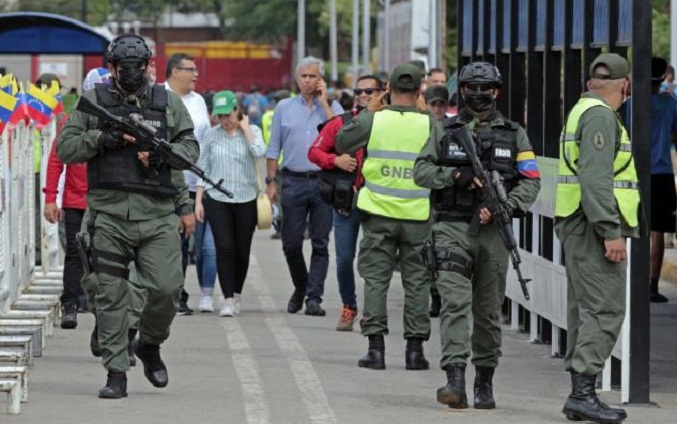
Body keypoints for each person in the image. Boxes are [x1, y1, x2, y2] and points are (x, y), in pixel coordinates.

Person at [57, 34, 199, 399]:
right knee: (110, 296)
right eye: (126, 68)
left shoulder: (167, 102)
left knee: (167, 289)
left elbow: (189, 149)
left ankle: (149, 345)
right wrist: (103, 139)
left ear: (149, 65)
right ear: (112, 68)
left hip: (156, 215)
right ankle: (116, 372)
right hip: (108, 214)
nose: (133, 73)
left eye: (140, 66)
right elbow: (66, 148)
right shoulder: (92, 104)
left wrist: (162, 158)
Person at [413, 61, 540, 409]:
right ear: (462, 91)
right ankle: (455, 379)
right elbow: (420, 171)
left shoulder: (515, 133)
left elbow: (531, 181)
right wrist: (456, 177)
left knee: (487, 311)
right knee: (455, 303)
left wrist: (507, 206)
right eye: (472, 88)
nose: (479, 95)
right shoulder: (445, 130)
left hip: (493, 233)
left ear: (496, 91)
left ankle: (485, 381)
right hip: (452, 226)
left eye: (486, 88)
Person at [554, 53, 640, 423]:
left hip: (577, 223)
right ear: (625, 85)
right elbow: (595, 180)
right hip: (591, 227)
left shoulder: (581, 109)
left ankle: (580, 394)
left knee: (585, 310)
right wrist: (611, 232)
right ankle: (583, 395)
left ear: (591, 82)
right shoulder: (601, 116)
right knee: (604, 309)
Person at [336, 63, 433, 371]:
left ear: (388, 90)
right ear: (419, 92)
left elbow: (342, 143)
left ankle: (375, 350)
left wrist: (369, 112)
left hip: (378, 214)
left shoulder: (374, 120)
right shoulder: (430, 125)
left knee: (376, 280)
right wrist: (426, 112)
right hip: (418, 215)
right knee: (417, 282)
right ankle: (415, 352)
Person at [265, 56, 344, 316]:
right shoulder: (284, 108)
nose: (308, 81)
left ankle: (314, 297)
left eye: (313, 76)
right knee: (291, 243)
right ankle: (301, 286)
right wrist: (270, 183)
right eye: (304, 76)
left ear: (320, 79)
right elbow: (273, 148)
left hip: (323, 181)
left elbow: (342, 138)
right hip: (293, 181)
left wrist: (324, 103)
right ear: (297, 79)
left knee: (321, 243)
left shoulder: (333, 107)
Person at [308, 74, 384, 331]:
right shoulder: (341, 123)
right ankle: (349, 307)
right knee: (343, 259)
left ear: (382, 93)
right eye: (359, 91)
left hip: (379, 204)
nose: (363, 95)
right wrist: (336, 161)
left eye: (370, 91)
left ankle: (372, 314)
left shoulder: (389, 123)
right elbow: (315, 151)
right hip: (347, 203)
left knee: (376, 263)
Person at [44, 68, 111, 329]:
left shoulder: (117, 118)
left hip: (106, 202)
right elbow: (56, 159)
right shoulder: (72, 119)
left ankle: (103, 322)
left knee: (105, 262)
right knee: (75, 254)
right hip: (75, 202)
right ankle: (70, 304)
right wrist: (51, 198)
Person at [195, 91, 266, 316]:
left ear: (237, 110)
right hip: (218, 199)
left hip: (246, 199)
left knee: (241, 251)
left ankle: (236, 293)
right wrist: (198, 200)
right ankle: (227, 300)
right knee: (224, 248)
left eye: (228, 114)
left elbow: (259, 152)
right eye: (219, 116)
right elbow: (202, 168)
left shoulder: (252, 131)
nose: (224, 120)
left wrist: (245, 129)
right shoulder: (212, 135)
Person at [164, 52, 214, 313]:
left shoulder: (198, 102)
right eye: (190, 69)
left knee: (183, 242)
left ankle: (178, 295)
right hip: (160, 184)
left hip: (190, 185)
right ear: (175, 72)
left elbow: (203, 144)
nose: (196, 74)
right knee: (162, 242)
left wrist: (200, 189)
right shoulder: (155, 96)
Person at [648, 57, 677, 303]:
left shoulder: (630, 105)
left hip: (634, 173)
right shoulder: (671, 104)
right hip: (662, 174)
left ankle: (630, 281)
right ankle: (652, 285)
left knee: (631, 228)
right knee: (657, 232)